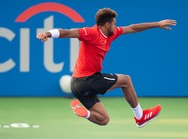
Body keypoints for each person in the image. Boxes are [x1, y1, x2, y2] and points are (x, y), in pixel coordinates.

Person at [37, 8, 177, 128]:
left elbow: (133, 27)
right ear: (106, 24)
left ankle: (86, 114)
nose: (116, 26)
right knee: (126, 80)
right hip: (87, 79)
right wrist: (47, 34)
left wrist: (157, 24)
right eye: (114, 23)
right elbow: (67, 33)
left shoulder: (112, 33)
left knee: (103, 120)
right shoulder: (90, 33)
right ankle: (140, 117)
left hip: (77, 85)